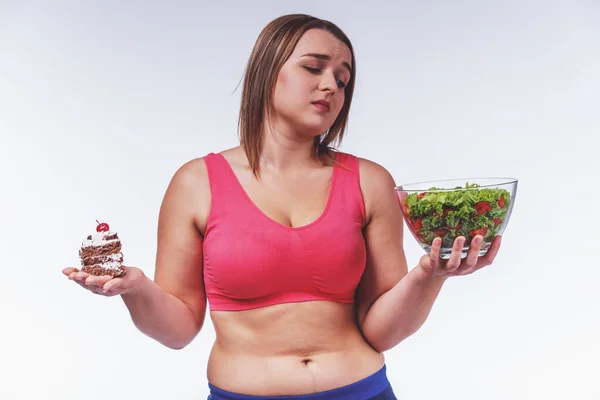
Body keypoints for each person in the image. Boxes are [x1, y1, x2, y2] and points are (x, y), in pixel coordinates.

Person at [63, 13, 501, 400]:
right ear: (268, 72)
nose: (331, 85)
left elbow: (381, 330)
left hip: (363, 392)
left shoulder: (369, 181)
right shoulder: (196, 183)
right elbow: (177, 332)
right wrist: (137, 289)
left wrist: (429, 274)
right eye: (313, 67)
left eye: (343, 79)